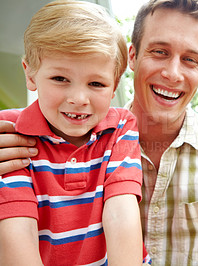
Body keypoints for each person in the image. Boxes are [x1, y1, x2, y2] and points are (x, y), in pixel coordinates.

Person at [0, 0, 198, 265]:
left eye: (190, 60)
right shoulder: (22, 145)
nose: (173, 74)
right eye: (160, 52)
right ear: (132, 58)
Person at [0, 1, 149, 265]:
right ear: (30, 74)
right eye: (60, 79)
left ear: (114, 86)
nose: (79, 98)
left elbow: (121, 214)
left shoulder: (120, 127)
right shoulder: (12, 133)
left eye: (96, 83)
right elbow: (16, 230)